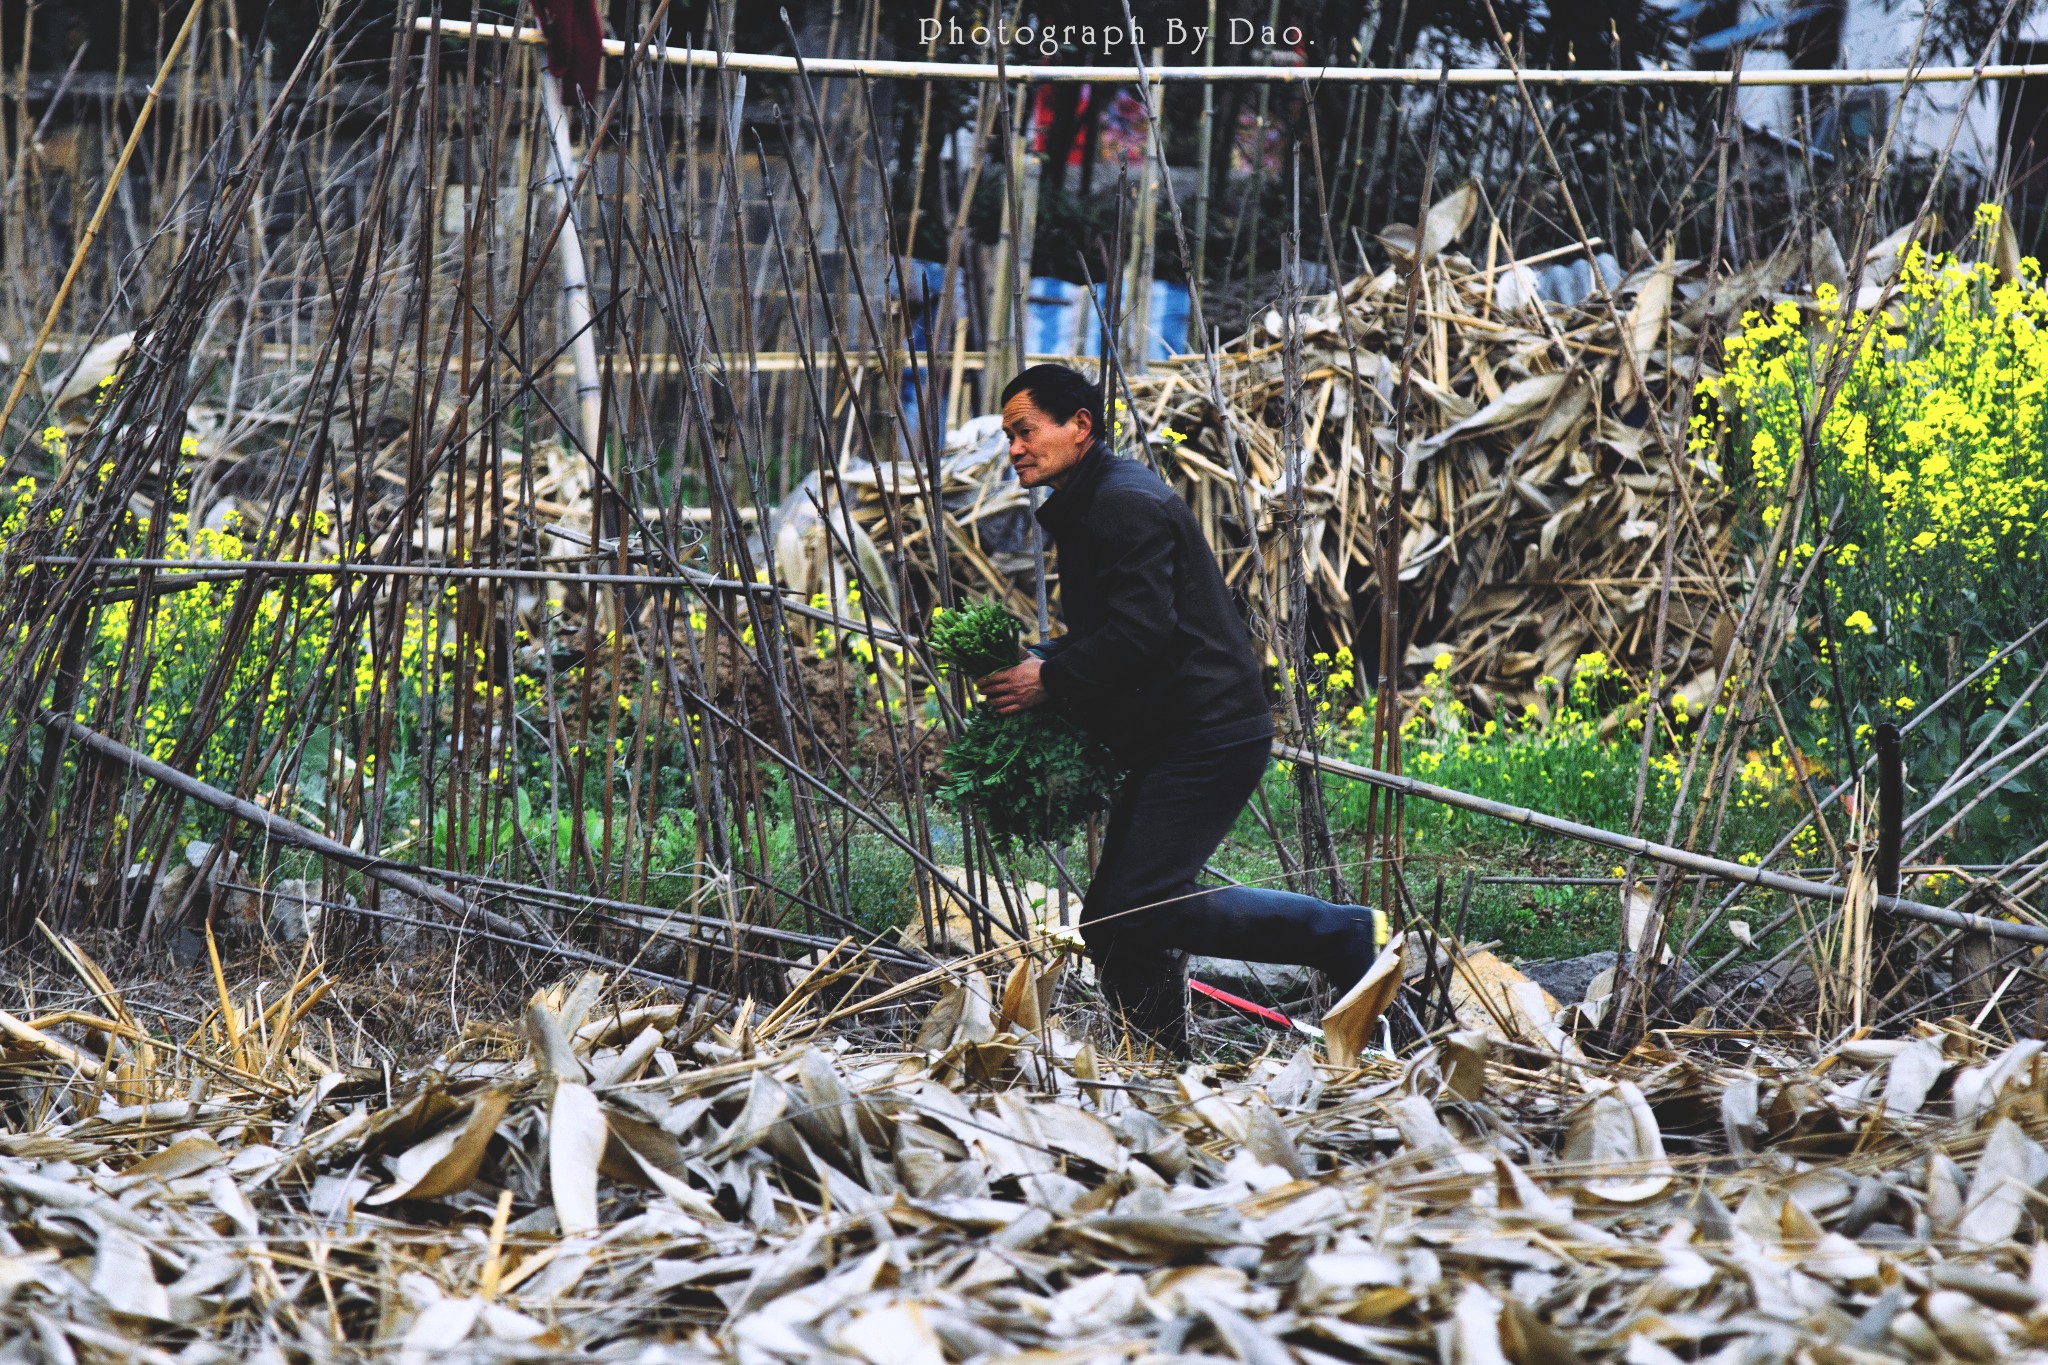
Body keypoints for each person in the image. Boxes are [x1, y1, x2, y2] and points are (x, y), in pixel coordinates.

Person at [978, 363, 1386, 1057]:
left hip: (1209, 732)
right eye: (1009, 435)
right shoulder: (1093, 499)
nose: (1014, 448)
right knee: (1113, 922)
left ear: (1079, 425)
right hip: (1178, 733)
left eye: (1025, 430)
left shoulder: (1121, 503)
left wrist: (1050, 677)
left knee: (1142, 903)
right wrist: (1040, 660)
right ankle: (1164, 1063)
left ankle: (1343, 935)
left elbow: (1142, 634)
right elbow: (1120, 628)